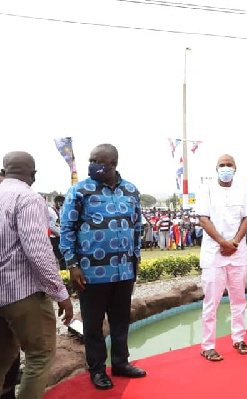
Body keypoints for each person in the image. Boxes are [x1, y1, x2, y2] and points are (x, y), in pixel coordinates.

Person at [60, 144, 146, 390]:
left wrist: (135, 258)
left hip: (124, 270)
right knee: (93, 324)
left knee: (120, 320)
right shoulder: (80, 191)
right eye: (91, 159)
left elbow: (137, 227)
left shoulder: (131, 191)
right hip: (90, 273)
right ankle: (97, 370)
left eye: (99, 160)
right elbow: (67, 229)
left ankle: (120, 363)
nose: (93, 164)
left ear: (113, 164)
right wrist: (72, 265)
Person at [0, 151, 73, 399]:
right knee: (39, 356)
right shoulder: (28, 198)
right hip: (22, 294)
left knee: (3, 358)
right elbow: (39, 253)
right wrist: (61, 294)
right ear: (33, 174)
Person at [198, 154, 247, 361]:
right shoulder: (206, 189)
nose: (225, 168)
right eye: (222, 165)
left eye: (229, 165)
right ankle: (208, 345)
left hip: (238, 254)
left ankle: (239, 338)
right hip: (214, 254)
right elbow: (204, 219)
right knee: (211, 303)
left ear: (235, 168)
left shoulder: (244, 189)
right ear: (216, 168)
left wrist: (235, 243)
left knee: (239, 300)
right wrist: (223, 242)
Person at [48, 195, 66, 270]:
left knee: (61, 258)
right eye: (62, 203)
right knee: (61, 258)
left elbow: (57, 224)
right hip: (52, 238)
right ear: (58, 202)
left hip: (58, 238)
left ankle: (63, 275)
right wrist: (54, 232)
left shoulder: (59, 212)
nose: (63, 205)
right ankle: (63, 275)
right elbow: (43, 223)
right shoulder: (49, 210)